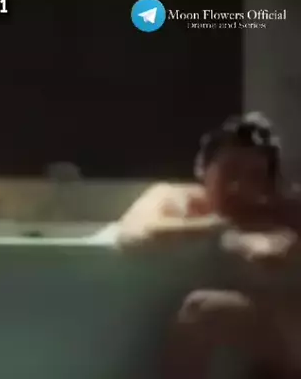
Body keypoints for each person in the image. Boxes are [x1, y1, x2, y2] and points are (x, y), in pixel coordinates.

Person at [116, 112, 300, 378]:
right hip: (274, 334)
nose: (239, 186)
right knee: (203, 311)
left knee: (205, 311)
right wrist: (220, 231)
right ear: (203, 169)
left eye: (255, 176)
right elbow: (132, 236)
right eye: (230, 171)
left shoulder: (284, 210)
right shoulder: (177, 199)